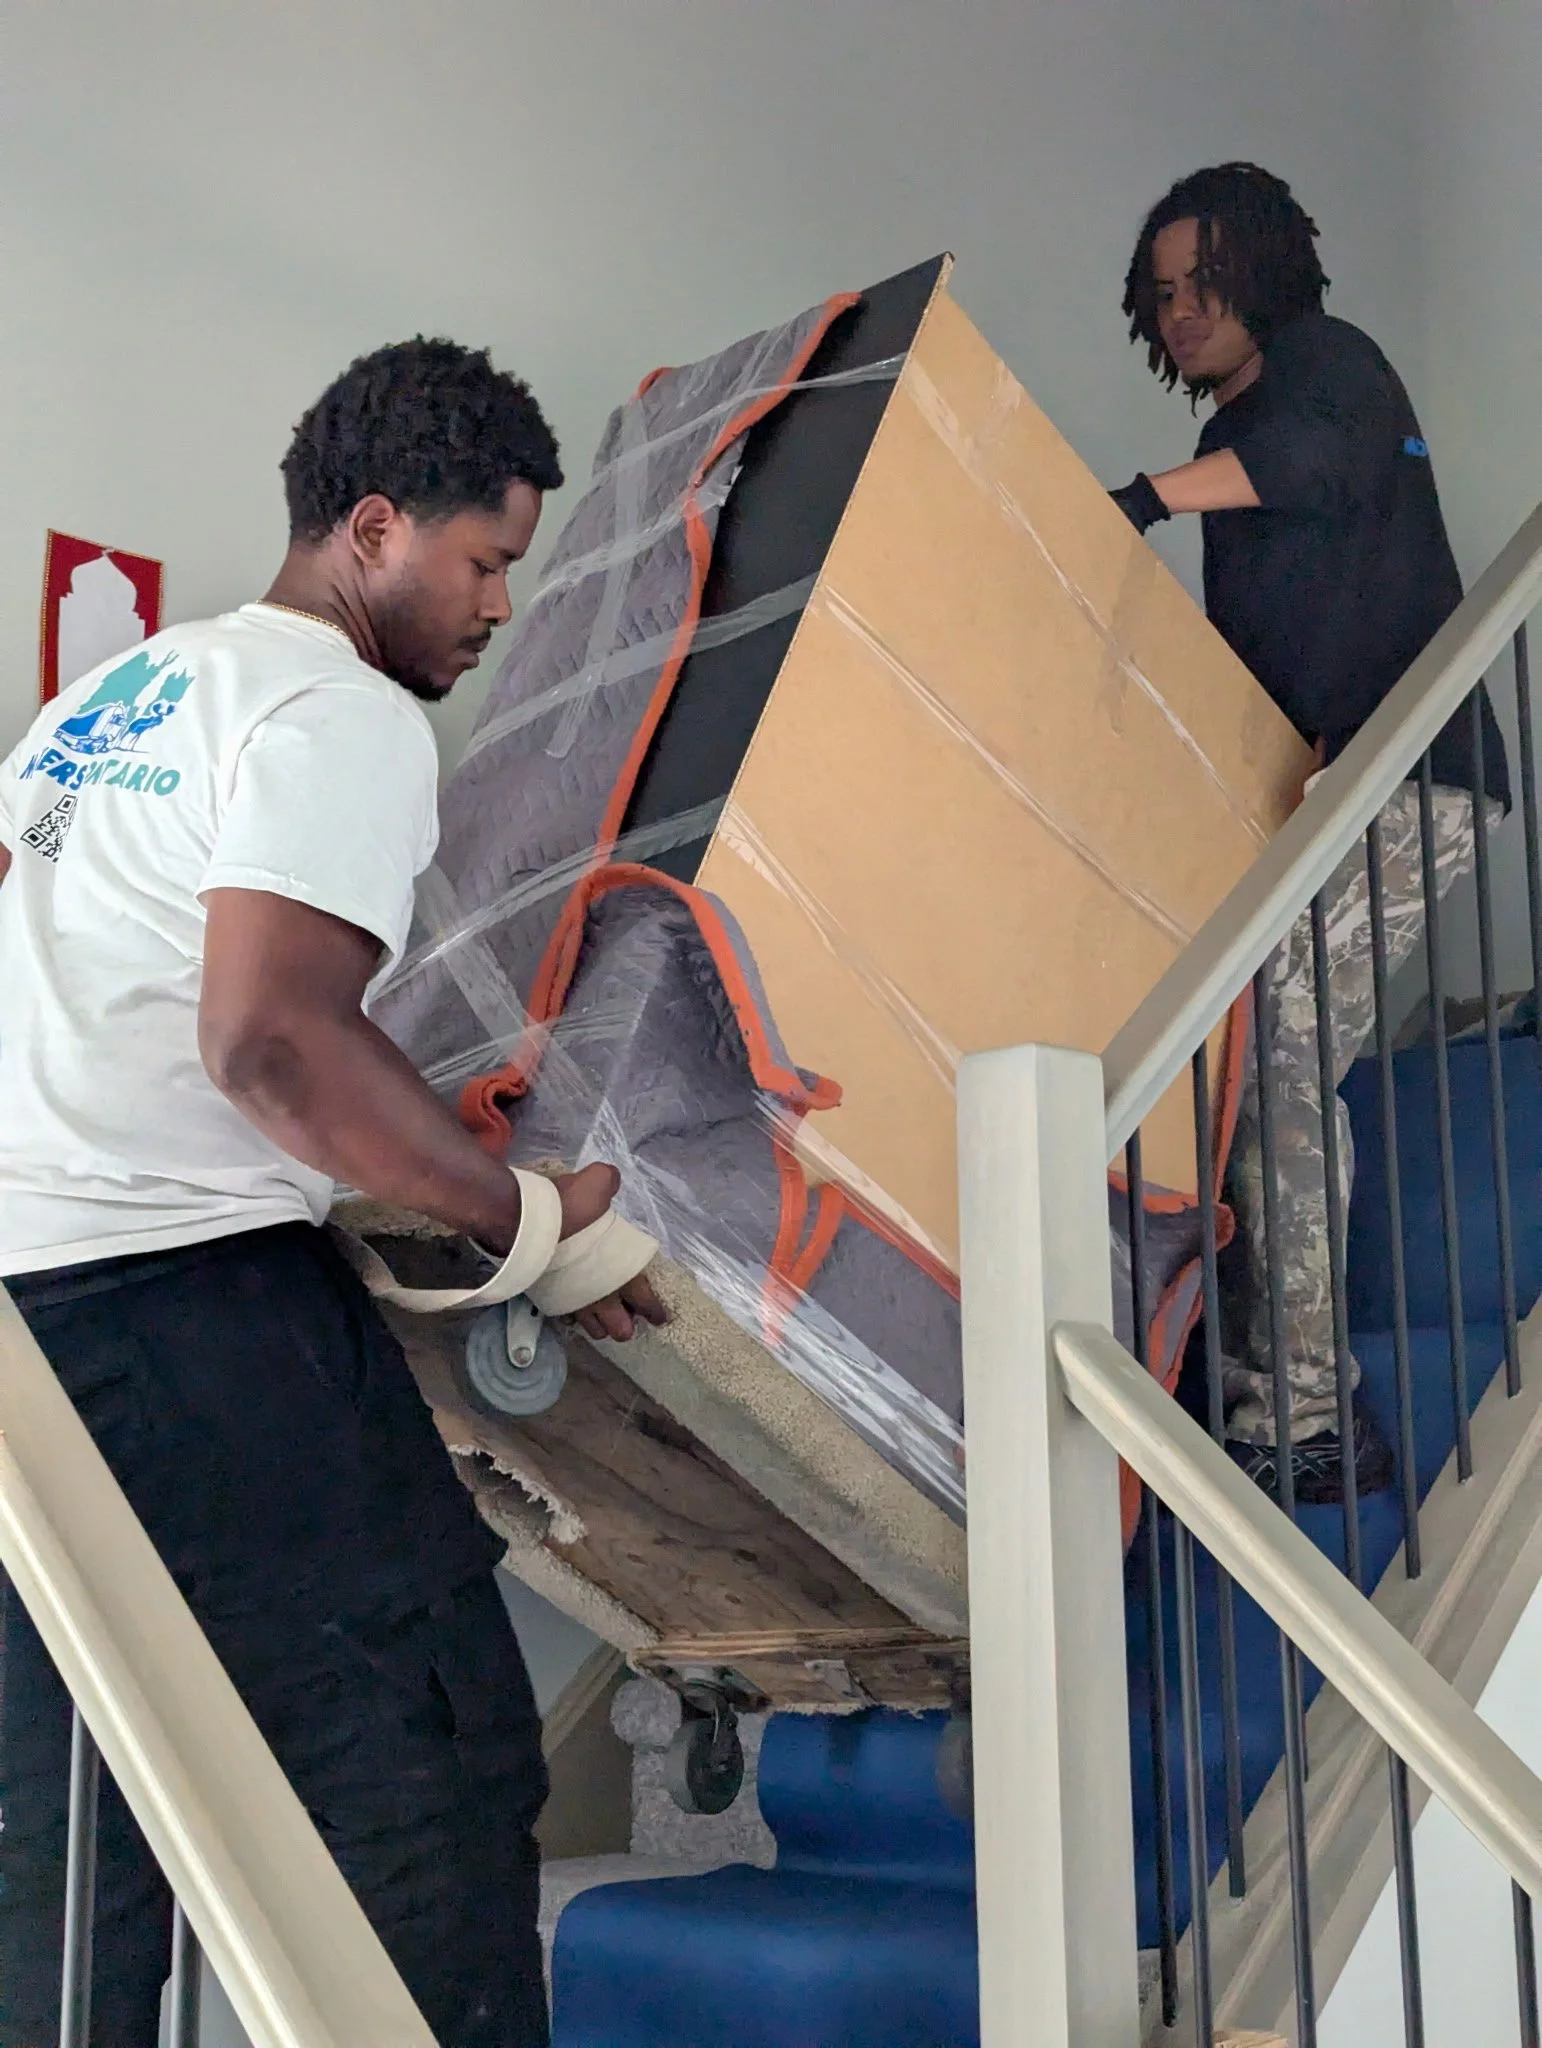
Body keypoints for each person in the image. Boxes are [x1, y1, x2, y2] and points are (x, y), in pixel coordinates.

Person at [0, 338, 666, 2045]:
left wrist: (410, 1126)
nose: (499, 604)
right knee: (420, 1772)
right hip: (184, 1316)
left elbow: (179, 1019)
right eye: (486, 559)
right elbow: (274, 1047)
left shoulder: (120, 698)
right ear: (374, 529)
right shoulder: (338, 711)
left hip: (24, 1336)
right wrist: (523, 1222)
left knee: (67, 1853)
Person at [1108, 163, 1510, 1506]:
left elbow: (1322, 468)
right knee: (1227, 1060)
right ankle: (1246, 1384)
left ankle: (1318, 1417)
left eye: (1205, 283)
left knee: (1277, 1047)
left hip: (1421, 776)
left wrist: (1141, 501)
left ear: (1268, 273)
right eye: (1160, 294)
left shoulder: (1330, 369)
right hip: (1331, 789)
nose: (1181, 312)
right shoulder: (1246, 444)